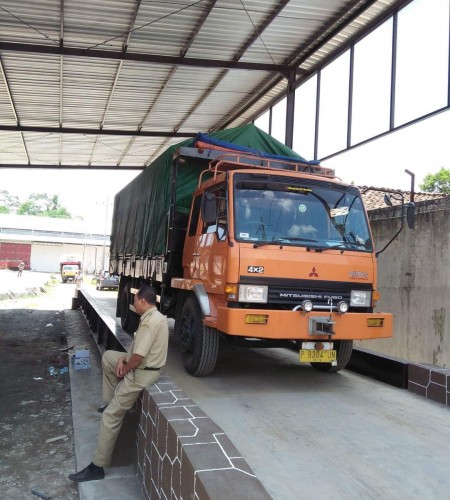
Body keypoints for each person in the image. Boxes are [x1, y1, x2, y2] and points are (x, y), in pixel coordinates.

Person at [68, 285, 169, 482]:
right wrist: (123, 359)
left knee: (110, 417)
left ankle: (98, 466)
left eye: (135, 300)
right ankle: (110, 401)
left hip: (142, 373)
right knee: (109, 358)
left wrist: (126, 368)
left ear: (142, 301)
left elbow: (139, 356)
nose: (133, 304)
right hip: (142, 366)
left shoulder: (150, 323)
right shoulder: (154, 316)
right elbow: (136, 349)